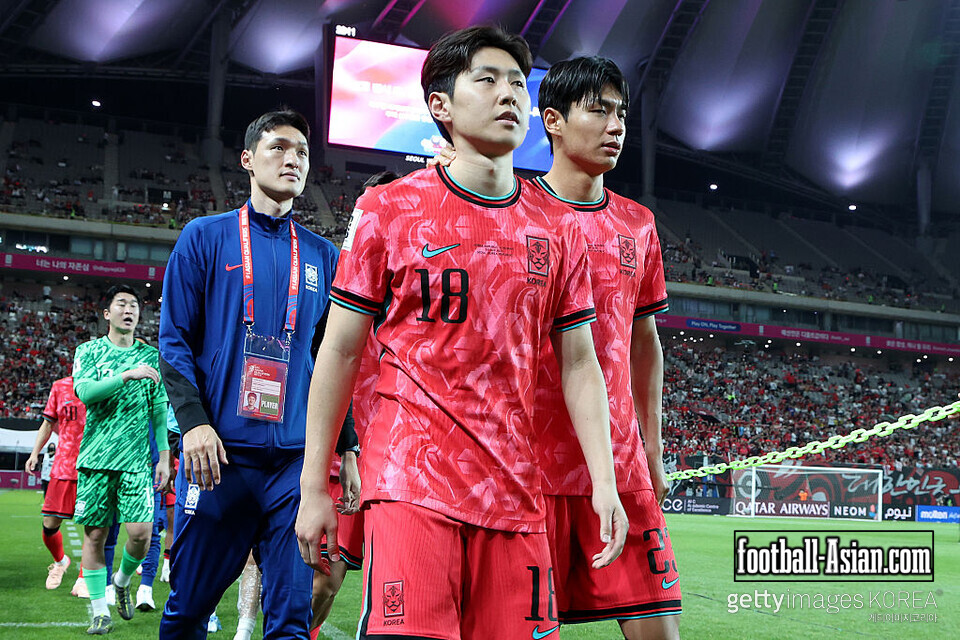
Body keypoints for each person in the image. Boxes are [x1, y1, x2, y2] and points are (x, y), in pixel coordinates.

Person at [296, 26, 627, 639]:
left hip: (515, 490)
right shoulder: (388, 210)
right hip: (411, 479)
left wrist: (604, 483)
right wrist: (315, 483)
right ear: (440, 107)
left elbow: (581, 364)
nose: (510, 94)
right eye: (488, 79)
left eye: (516, 83)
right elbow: (340, 349)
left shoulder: (558, 230)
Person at [158, 109, 359, 639]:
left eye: (303, 153)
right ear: (247, 160)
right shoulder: (204, 238)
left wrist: (349, 448)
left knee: (291, 620)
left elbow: (331, 362)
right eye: (279, 148)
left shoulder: (324, 256)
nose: (293, 159)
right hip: (218, 460)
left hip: (293, 469)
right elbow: (173, 342)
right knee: (186, 613)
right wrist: (194, 424)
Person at [530, 57, 681, 638]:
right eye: (599, 110)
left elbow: (645, 345)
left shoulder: (638, 225)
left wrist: (653, 451)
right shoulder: (515, 211)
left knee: (659, 631)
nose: (616, 125)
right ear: (553, 122)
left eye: (621, 112)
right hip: (529, 466)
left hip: (618, 465)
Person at [308, 171, 398, 640]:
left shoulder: (415, 285)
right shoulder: (335, 291)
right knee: (324, 581)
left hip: (402, 461)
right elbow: (325, 371)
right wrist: (344, 450)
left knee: (395, 595)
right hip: (347, 456)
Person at [72, 284, 171, 635]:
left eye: (134, 305)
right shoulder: (89, 351)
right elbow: (85, 392)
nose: (129, 310)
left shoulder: (152, 356)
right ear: (107, 313)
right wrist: (125, 375)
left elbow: (159, 410)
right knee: (96, 535)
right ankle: (100, 611)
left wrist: (164, 455)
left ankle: (123, 579)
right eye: (122, 304)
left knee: (142, 534)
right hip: (97, 459)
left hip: (136, 462)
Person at [25, 377, 86, 594]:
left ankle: (83, 578)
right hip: (64, 466)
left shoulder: (104, 383)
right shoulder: (60, 386)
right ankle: (60, 561)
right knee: (49, 526)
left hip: (93, 466)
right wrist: (34, 454)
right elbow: (47, 423)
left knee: (93, 526)